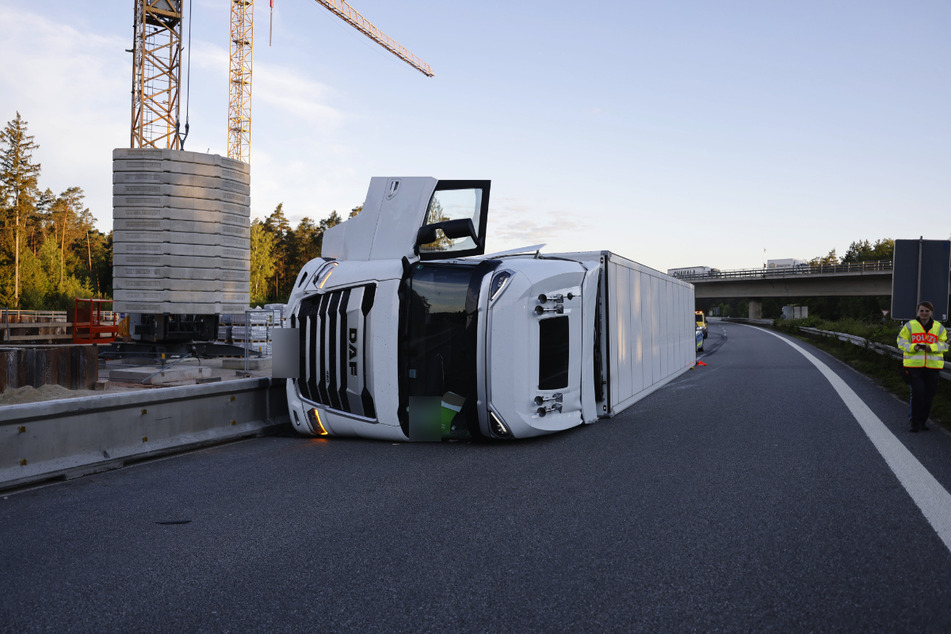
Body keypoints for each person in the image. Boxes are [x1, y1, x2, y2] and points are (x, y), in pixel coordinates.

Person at [897, 301, 948, 432]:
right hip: (914, 366)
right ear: (918, 312)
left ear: (931, 312)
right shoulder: (910, 326)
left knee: (929, 395)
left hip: (932, 366)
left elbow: (945, 345)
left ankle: (923, 421)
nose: (924, 313)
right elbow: (900, 341)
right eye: (922, 311)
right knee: (918, 393)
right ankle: (914, 422)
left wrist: (932, 347)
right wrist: (913, 347)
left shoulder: (939, 327)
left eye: (927, 311)